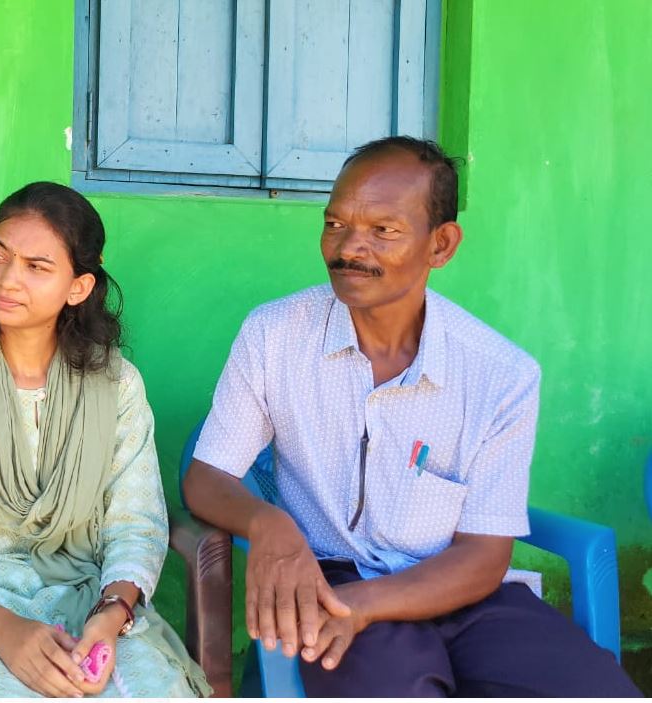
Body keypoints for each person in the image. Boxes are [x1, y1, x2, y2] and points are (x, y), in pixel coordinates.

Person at [183, 136, 639, 696]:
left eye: (384, 230)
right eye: (335, 224)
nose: (349, 248)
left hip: (462, 593)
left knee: (594, 689)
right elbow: (207, 476)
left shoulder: (501, 375)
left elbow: (484, 554)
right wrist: (267, 523)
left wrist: (365, 606)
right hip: (331, 578)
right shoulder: (274, 335)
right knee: (398, 683)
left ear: (441, 245)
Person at [0, 182, 210, 698]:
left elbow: (136, 523)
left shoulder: (118, 387)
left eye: (37, 266)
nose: (8, 279)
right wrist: (4, 629)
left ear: (78, 287)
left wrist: (111, 615)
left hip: (91, 600)